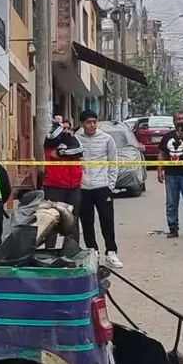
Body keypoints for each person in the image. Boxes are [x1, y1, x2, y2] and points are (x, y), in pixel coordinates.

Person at [76, 109, 123, 268]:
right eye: (88, 122)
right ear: (82, 124)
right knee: (87, 221)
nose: (92, 125)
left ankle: (111, 252)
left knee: (107, 220)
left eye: (94, 122)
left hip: (102, 186)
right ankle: (93, 252)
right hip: (83, 187)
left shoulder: (106, 139)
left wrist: (110, 185)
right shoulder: (77, 139)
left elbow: (113, 163)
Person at [156, 110, 183, 239]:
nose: (181, 121)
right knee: (171, 203)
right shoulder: (167, 136)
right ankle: (173, 228)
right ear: (174, 121)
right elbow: (162, 153)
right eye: (178, 119)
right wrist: (160, 169)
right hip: (171, 174)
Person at [41, 112, 84, 248]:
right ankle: (49, 251)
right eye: (63, 128)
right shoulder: (50, 143)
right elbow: (52, 137)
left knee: (73, 220)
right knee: (51, 219)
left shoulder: (74, 141)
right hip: (54, 186)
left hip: (74, 187)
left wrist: (61, 152)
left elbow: (79, 151)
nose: (65, 131)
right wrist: (57, 124)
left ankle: (72, 250)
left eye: (68, 128)